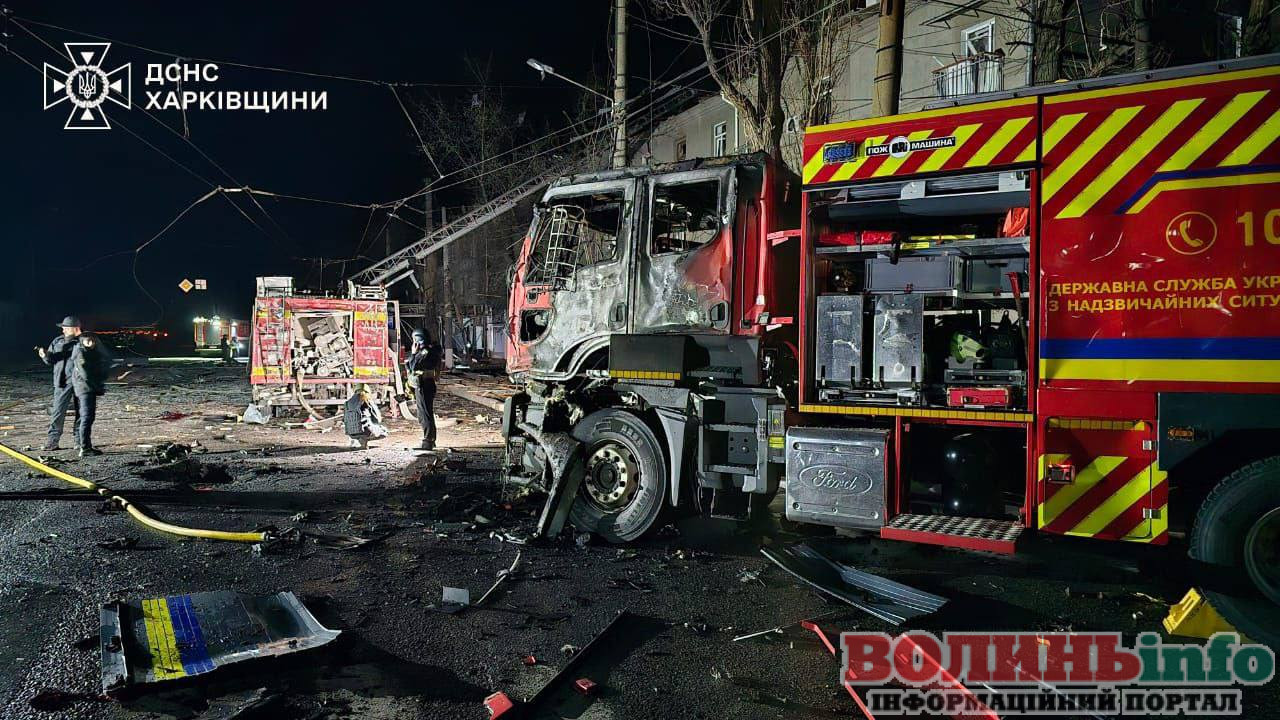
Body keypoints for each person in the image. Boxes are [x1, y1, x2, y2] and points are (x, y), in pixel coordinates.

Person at [37, 316, 111, 457]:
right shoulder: (57, 341)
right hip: (62, 382)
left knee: (81, 413)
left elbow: (99, 356)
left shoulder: (85, 340)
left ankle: (79, 442)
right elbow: (51, 360)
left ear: (75, 328)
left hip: (81, 383)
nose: (63, 330)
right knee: (58, 412)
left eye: (66, 328)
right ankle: (52, 441)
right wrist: (45, 356)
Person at [405, 328, 442, 450]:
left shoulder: (425, 352)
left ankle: (428, 441)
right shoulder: (432, 350)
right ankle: (431, 439)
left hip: (423, 384)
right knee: (426, 412)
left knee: (424, 414)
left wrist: (413, 353)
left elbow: (413, 366)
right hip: (427, 384)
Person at [342, 384, 387, 449]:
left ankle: (360, 441)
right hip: (364, 432)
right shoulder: (366, 401)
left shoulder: (347, 403)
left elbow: (345, 419)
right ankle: (364, 441)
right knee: (384, 431)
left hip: (351, 434)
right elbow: (377, 419)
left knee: (360, 426)